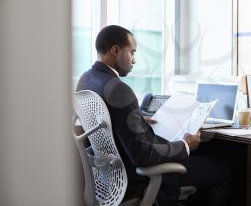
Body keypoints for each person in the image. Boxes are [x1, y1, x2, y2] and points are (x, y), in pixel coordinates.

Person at [77, 25, 239, 206]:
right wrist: (185, 145)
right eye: (132, 52)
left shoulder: (86, 80)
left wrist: (136, 119)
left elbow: (105, 123)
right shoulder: (119, 89)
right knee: (226, 169)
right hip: (137, 177)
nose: (134, 60)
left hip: (110, 177)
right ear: (115, 50)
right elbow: (142, 155)